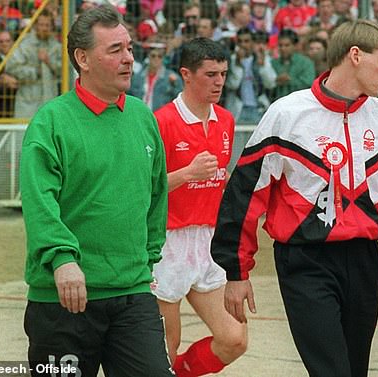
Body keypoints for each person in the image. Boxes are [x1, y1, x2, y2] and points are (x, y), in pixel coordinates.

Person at [211, 20, 378, 377]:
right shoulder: (287, 114)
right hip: (304, 261)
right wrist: (236, 271)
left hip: (363, 260)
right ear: (355, 56)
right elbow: (245, 196)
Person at [20, 5, 173, 376]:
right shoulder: (51, 122)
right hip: (64, 301)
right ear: (82, 58)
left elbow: (156, 194)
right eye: (115, 50)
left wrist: (147, 257)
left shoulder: (143, 117)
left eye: (130, 48)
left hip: (133, 293)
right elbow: (39, 201)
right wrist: (62, 258)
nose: (129, 59)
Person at [152, 37, 247, 377]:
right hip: (168, 241)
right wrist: (187, 173)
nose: (219, 81)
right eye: (210, 74)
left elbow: (219, 180)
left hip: (208, 240)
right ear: (186, 75)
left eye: (223, 73)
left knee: (234, 338)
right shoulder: (161, 121)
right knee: (165, 344)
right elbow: (144, 187)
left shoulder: (225, 120)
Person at [6, 10, 61, 118]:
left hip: (50, 100)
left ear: (52, 27)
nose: (44, 28)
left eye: (47, 25)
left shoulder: (57, 47)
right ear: (35, 25)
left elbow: (66, 71)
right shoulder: (24, 45)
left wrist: (49, 62)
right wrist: (35, 72)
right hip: (27, 103)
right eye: (41, 25)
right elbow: (11, 67)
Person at [225, 28, 277, 124]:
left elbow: (270, 84)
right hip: (238, 108)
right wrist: (238, 65)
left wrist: (263, 67)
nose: (243, 45)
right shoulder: (232, 60)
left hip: (258, 108)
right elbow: (233, 85)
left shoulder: (262, 59)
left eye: (246, 41)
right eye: (240, 41)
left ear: (253, 42)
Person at [129, 47, 183, 112]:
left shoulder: (172, 77)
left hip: (160, 117)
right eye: (153, 56)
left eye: (159, 56)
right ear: (148, 57)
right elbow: (130, 95)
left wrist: (174, 84)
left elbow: (180, 99)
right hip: (139, 114)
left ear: (163, 59)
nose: (156, 59)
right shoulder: (138, 77)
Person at [271, 29, 316, 100]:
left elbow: (308, 84)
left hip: (299, 104)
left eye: (287, 45)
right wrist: (275, 81)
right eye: (280, 45)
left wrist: (290, 80)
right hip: (277, 104)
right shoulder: (273, 62)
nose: (283, 48)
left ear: (295, 46)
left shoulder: (305, 63)